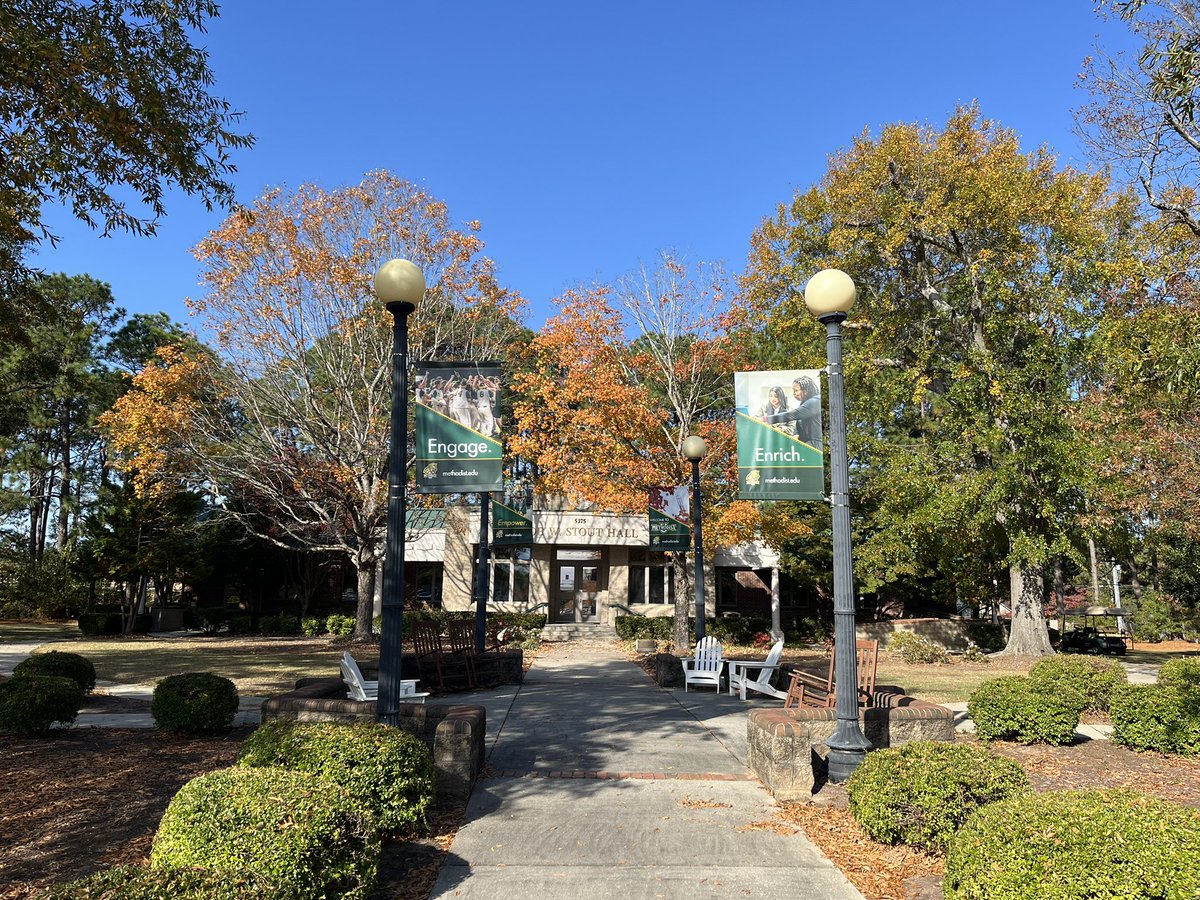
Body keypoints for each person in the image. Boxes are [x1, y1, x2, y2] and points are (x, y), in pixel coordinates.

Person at [762, 376, 822, 448]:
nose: (794, 393)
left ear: (806, 390)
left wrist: (765, 419)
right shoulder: (804, 403)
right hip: (807, 443)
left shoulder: (815, 401)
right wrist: (796, 434)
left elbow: (793, 415)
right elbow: (799, 422)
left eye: (796, 390)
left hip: (815, 444)